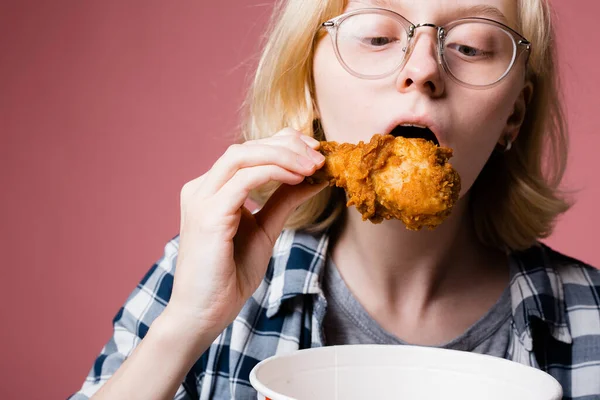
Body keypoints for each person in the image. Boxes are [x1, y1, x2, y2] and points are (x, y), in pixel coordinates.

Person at [70, 0, 600, 399]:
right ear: (309, 87)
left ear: (514, 114)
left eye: (471, 46)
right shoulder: (201, 274)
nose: (423, 69)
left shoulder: (591, 318)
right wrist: (185, 325)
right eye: (375, 36)